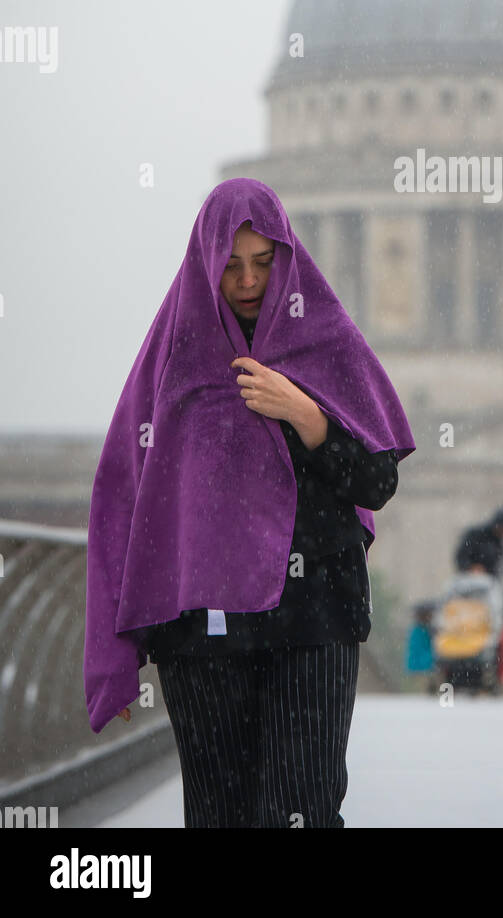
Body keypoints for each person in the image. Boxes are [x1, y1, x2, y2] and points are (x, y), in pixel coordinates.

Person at [83, 178, 415, 827]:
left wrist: (307, 417)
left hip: (313, 617)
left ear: (287, 257)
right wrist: (115, 657)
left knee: (304, 811)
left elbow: (375, 481)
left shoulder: (325, 343)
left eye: (263, 263)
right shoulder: (172, 359)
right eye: (230, 264)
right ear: (204, 260)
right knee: (219, 816)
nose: (246, 281)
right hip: (201, 632)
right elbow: (121, 500)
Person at [433, 563, 503, 695]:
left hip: (477, 640)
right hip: (456, 639)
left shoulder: (486, 595)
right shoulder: (456, 599)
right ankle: (446, 694)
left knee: (486, 664)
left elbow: (496, 617)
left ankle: (483, 688)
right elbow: (442, 617)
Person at [454, 508, 503, 576]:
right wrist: (470, 567)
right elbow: (462, 555)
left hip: (487, 579)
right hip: (467, 576)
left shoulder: (498, 545)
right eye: (502, 529)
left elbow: (494, 567)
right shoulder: (475, 535)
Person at [405, 603, 436, 691]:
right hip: (423, 665)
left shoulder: (417, 630)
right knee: (425, 682)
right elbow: (423, 649)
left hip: (420, 664)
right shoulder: (421, 631)